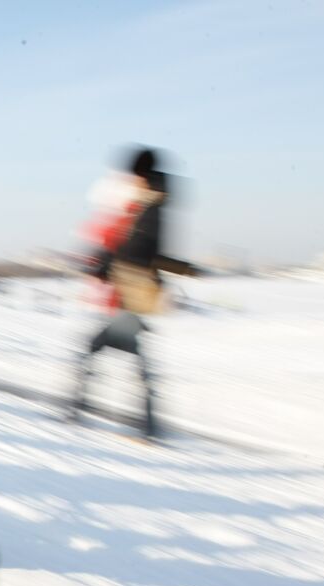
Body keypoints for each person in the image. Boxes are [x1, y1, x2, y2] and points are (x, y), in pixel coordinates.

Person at [69, 149, 194, 440]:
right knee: (114, 355)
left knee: (101, 350)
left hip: (132, 294)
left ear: (141, 177)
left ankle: (83, 412)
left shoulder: (149, 208)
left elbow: (139, 251)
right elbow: (137, 248)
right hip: (131, 293)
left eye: (133, 177)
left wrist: (105, 263)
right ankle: (143, 425)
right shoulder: (146, 205)